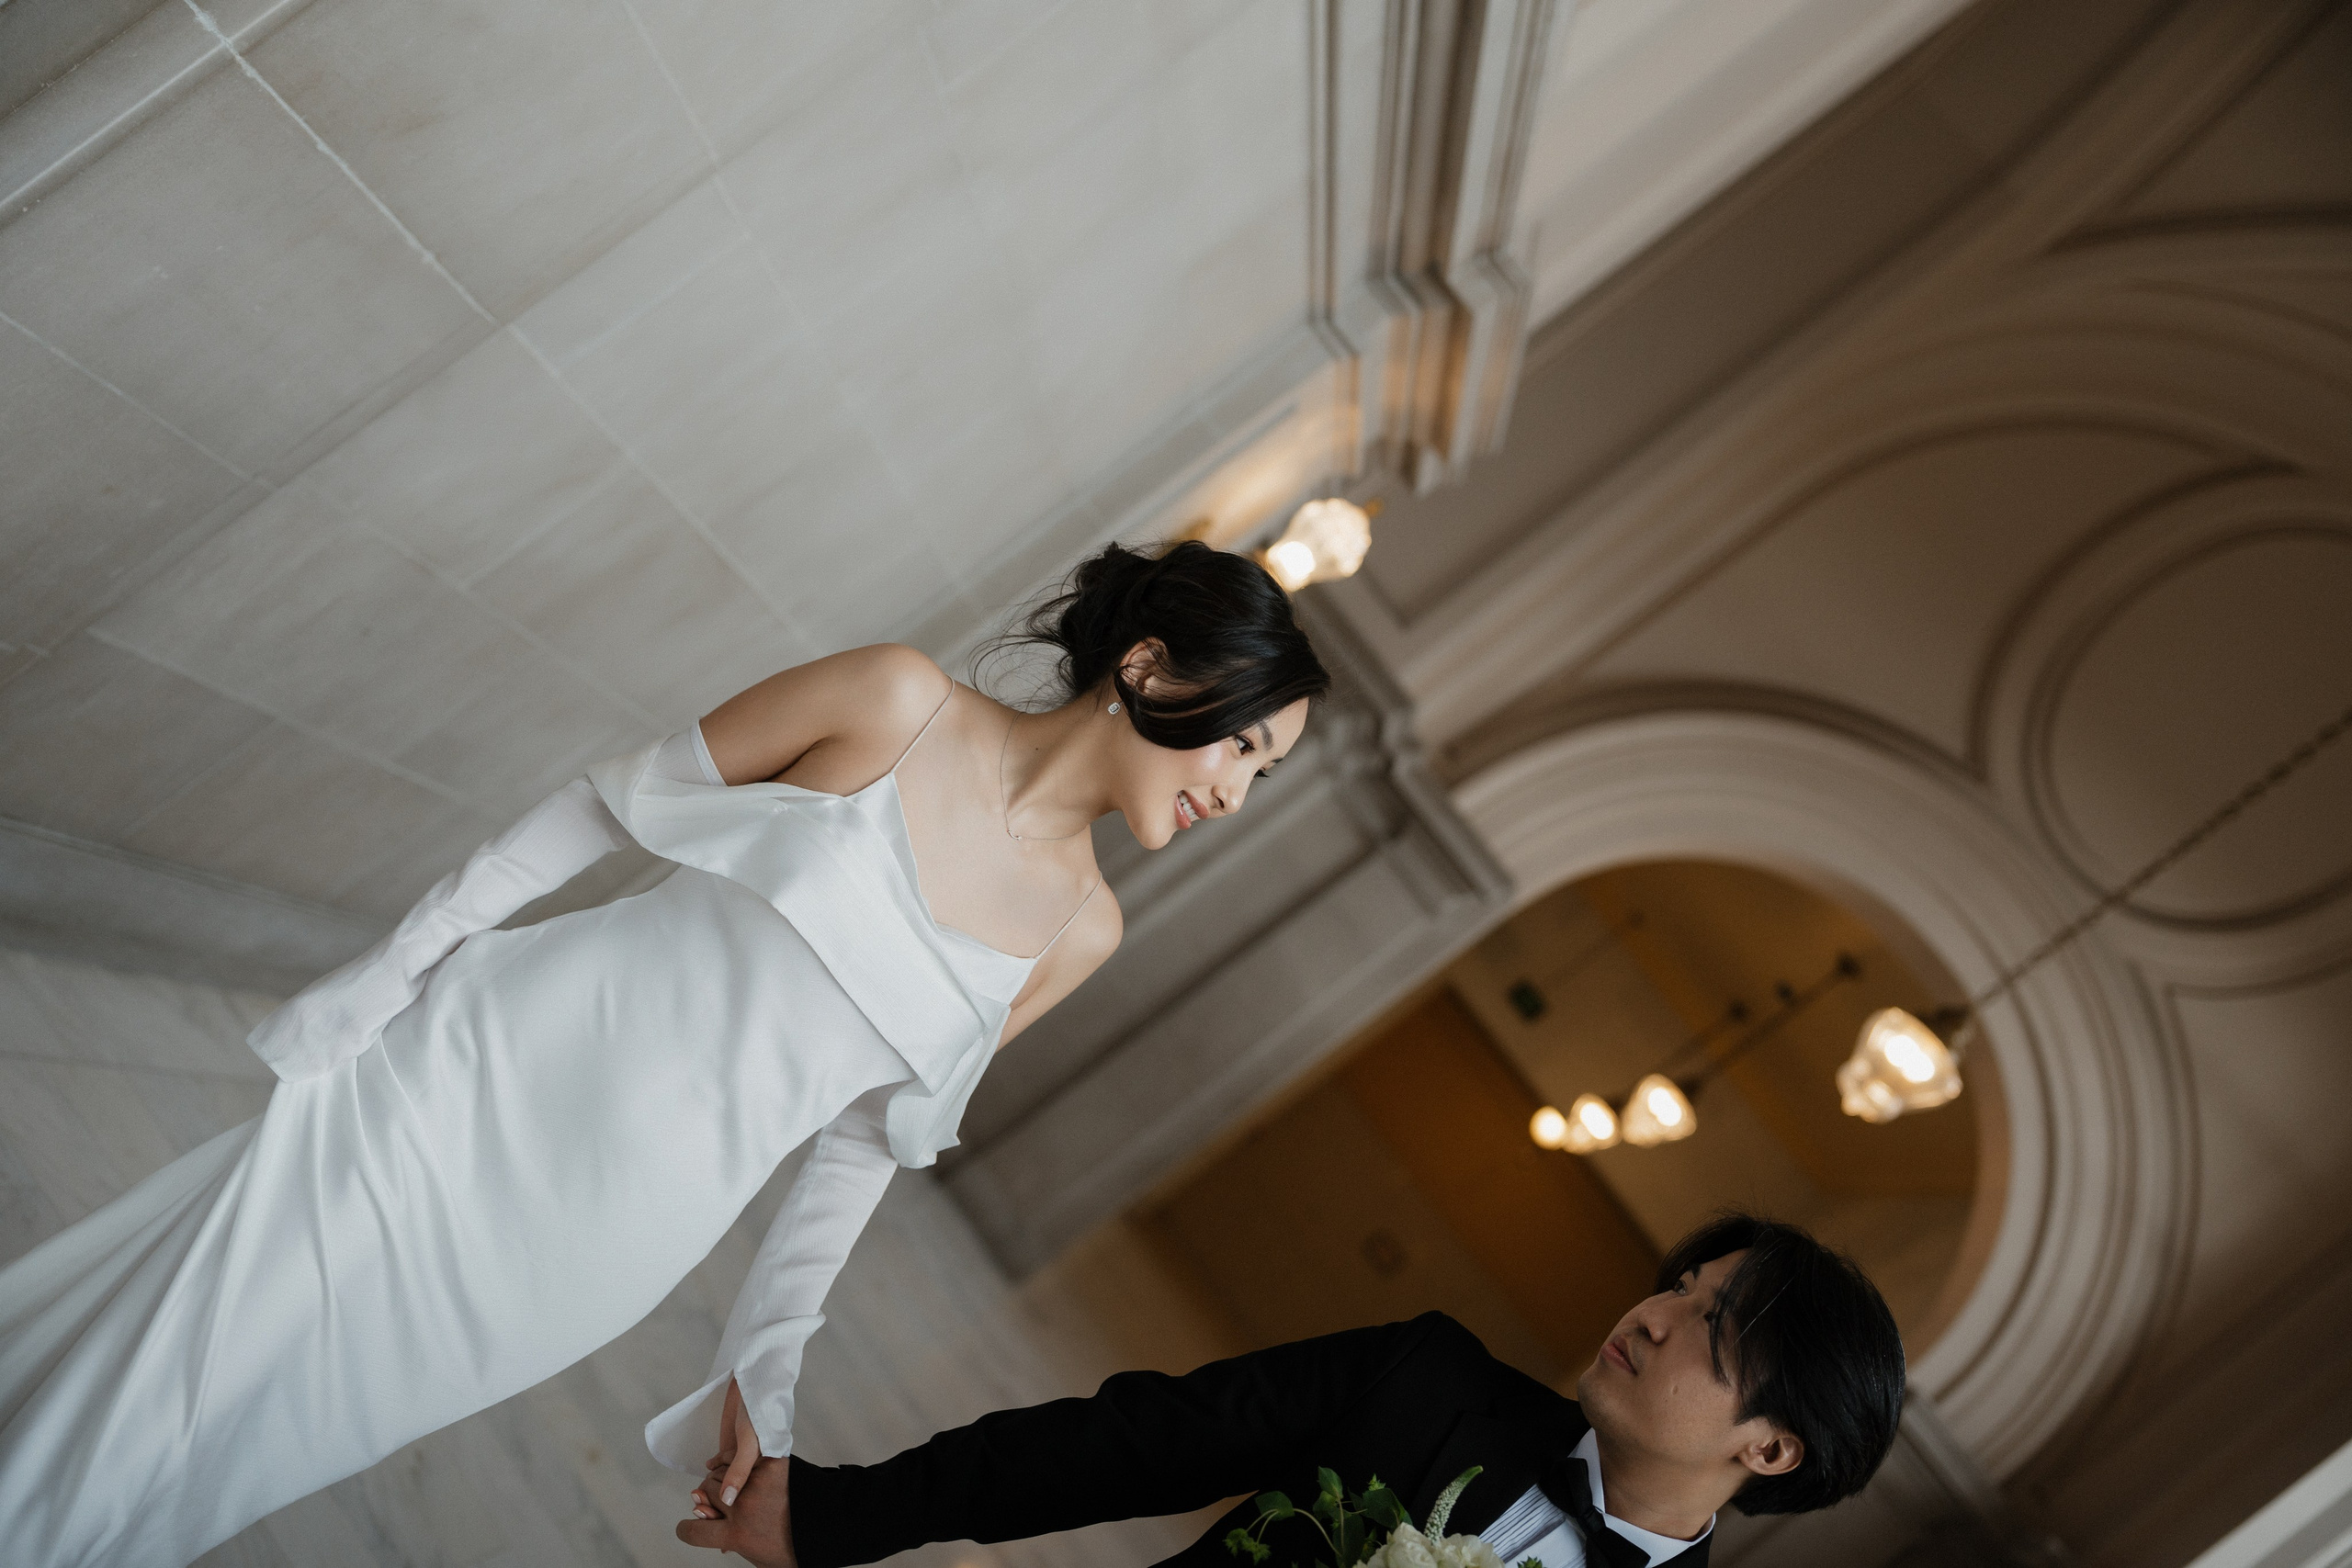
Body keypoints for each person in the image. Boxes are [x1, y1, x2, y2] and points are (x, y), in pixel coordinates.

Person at [0, 540, 1328, 1568]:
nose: (1237, 789)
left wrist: (767, 1363)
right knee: (182, 1357)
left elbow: (863, 1141)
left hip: (597, 1244)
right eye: (1247, 743)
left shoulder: (1081, 934)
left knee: (247, 1444)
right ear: (1152, 670)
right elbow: (593, 806)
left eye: (1266, 775)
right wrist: (385, 974)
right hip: (474, 1080)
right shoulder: (895, 698)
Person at [678, 1213, 1906, 1568]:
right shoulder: (1423, 1380)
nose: (1654, 1313)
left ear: (1774, 1450)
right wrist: (835, 1514)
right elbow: (1123, 1445)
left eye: (1713, 1326)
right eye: (1679, 1285)